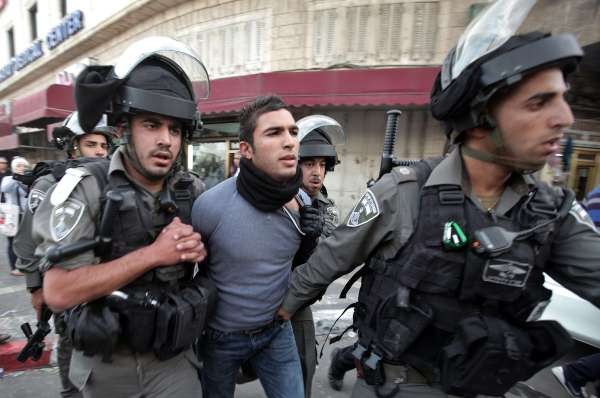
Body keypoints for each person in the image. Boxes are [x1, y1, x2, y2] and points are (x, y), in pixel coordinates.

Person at [277, 2, 600, 397]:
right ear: (480, 116)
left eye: (562, 98)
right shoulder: (404, 193)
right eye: (538, 102)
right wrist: (270, 318)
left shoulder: (551, 212)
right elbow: (328, 262)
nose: (563, 117)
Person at [32, 36, 211, 398]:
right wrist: (155, 254)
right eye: (151, 125)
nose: (166, 140)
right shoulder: (86, 188)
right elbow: (58, 291)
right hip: (106, 366)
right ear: (122, 129)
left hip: (172, 362)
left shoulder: (193, 191)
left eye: (175, 129)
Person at [192, 95, 320, 398]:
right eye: (274, 133)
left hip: (275, 332)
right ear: (246, 150)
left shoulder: (303, 203)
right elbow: (190, 274)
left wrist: (310, 239)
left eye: (292, 132)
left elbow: (295, 268)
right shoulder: (210, 206)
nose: (289, 142)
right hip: (219, 338)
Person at [13, 112, 114, 398]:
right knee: (73, 367)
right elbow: (26, 240)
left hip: (104, 286)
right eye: (91, 144)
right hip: (66, 289)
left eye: (103, 146)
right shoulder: (51, 185)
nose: (99, 152)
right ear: (72, 147)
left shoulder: (113, 181)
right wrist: (35, 286)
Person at [293, 114, 344, 397]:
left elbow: (325, 258)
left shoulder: (326, 207)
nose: (317, 172)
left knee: (304, 368)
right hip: (257, 296)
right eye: (309, 163)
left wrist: (309, 239)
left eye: (322, 165)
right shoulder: (273, 198)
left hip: (297, 298)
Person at [1, 156, 29, 276]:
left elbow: (28, 191)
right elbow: (4, 189)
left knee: (26, 240)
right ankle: (14, 267)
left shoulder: (27, 179)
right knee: (12, 241)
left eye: (23, 166)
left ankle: (26, 264)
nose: (21, 168)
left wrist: (24, 178)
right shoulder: (8, 178)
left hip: (25, 214)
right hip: (12, 214)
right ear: (13, 167)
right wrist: (15, 176)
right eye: (18, 165)